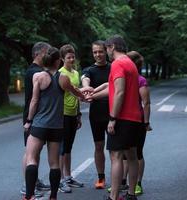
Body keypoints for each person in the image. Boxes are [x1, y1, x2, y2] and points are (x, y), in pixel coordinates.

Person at [23, 47, 85, 200]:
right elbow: (76, 92)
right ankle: (53, 196)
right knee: (54, 163)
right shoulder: (63, 78)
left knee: (31, 158)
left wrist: (29, 121)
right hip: (57, 126)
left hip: (39, 125)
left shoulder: (38, 77)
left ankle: (29, 196)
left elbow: (34, 101)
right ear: (58, 61)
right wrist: (86, 95)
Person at [89, 35, 141, 200]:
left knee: (116, 156)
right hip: (135, 117)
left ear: (112, 47)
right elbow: (112, 89)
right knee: (131, 156)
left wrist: (112, 118)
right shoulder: (130, 63)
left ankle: (113, 197)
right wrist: (92, 96)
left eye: (106, 49)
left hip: (122, 118)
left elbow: (119, 92)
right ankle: (131, 194)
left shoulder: (118, 64)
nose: (106, 53)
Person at [21, 42, 51, 197]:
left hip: (38, 117)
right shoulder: (35, 72)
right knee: (30, 152)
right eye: (47, 52)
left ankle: (34, 181)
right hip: (32, 117)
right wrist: (29, 119)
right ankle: (27, 186)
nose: (49, 55)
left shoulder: (36, 70)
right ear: (39, 53)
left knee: (35, 152)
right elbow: (34, 99)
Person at [81, 40, 110, 189]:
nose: (98, 54)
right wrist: (86, 88)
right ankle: (101, 178)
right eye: (95, 52)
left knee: (115, 149)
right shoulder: (89, 70)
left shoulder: (113, 68)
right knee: (99, 146)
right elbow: (85, 79)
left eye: (100, 51)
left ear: (106, 51)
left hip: (114, 114)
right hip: (97, 115)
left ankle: (120, 179)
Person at [122, 51, 152, 196]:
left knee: (137, 153)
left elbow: (146, 103)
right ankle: (123, 183)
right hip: (125, 119)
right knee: (124, 154)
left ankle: (138, 183)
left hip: (138, 121)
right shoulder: (124, 79)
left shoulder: (141, 81)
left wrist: (146, 123)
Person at [58, 44, 84, 193]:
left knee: (68, 147)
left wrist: (79, 115)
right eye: (68, 57)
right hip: (63, 114)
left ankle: (68, 176)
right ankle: (61, 179)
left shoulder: (75, 73)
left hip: (73, 113)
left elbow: (77, 94)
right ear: (62, 58)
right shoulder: (61, 73)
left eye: (73, 56)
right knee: (62, 148)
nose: (71, 59)